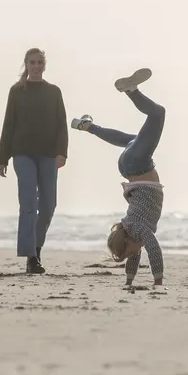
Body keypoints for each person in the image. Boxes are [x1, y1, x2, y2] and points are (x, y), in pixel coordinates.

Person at [71, 68, 166, 290]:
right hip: (129, 165)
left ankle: (131, 90)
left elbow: (154, 249)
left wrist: (158, 282)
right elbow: (135, 256)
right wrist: (129, 281)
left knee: (158, 113)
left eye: (132, 250)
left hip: (138, 165)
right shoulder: (131, 231)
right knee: (132, 139)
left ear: (127, 240)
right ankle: (88, 126)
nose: (136, 252)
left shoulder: (139, 230)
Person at [0, 47, 69, 275]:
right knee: (29, 203)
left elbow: (61, 124)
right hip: (23, 153)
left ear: (44, 65)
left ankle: (36, 247)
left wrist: (62, 152)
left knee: (49, 205)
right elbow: (9, 124)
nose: (36, 66)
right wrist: (2, 157)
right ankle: (31, 257)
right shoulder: (17, 91)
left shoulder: (53, 91)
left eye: (39, 62)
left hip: (48, 154)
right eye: (32, 62)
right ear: (26, 65)